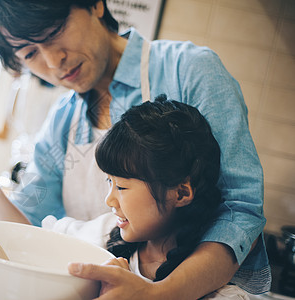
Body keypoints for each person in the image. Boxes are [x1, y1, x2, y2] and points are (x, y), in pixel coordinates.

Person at [0, 0, 270, 298]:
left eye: (53, 33)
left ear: (95, 5)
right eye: (30, 53)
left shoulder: (189, 70)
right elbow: (30, 237)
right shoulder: (62, 121)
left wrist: (160, 295)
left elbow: (240, 211)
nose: (53, 62)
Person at [66, 95, 250, 299]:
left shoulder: (221, 295)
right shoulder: (105, 231)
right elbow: (50, 234)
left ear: (181, 193)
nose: (109, 200)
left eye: (122, 187)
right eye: (109, 181)